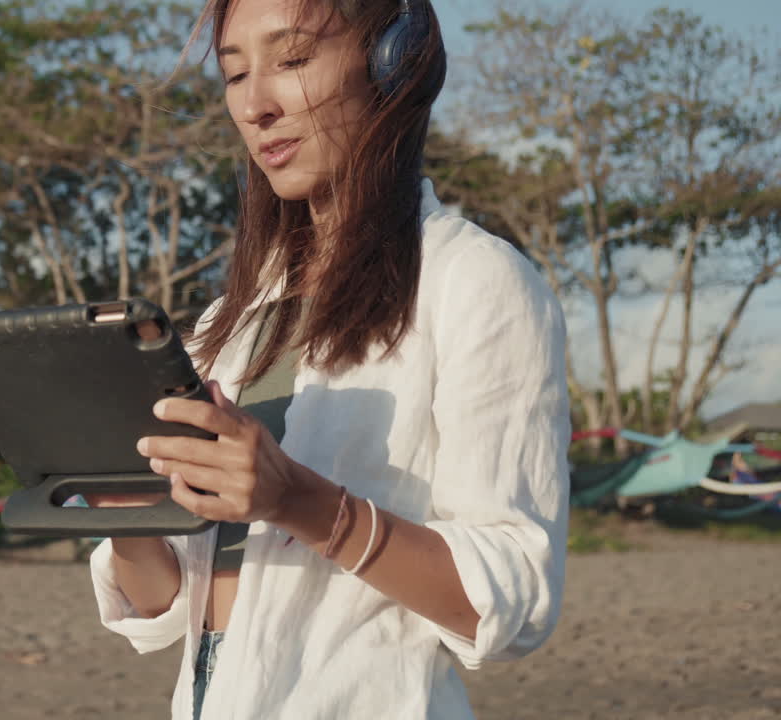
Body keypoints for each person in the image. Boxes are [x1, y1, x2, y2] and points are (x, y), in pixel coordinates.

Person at [85, 0, 570, 718]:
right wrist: (124, 506)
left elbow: (513, 601)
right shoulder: (232, 321)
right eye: (235, 73)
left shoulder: (473, 282)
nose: (256, 104)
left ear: (393, 60)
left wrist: (300, 503)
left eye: (292, 60)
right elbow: (166, 606)